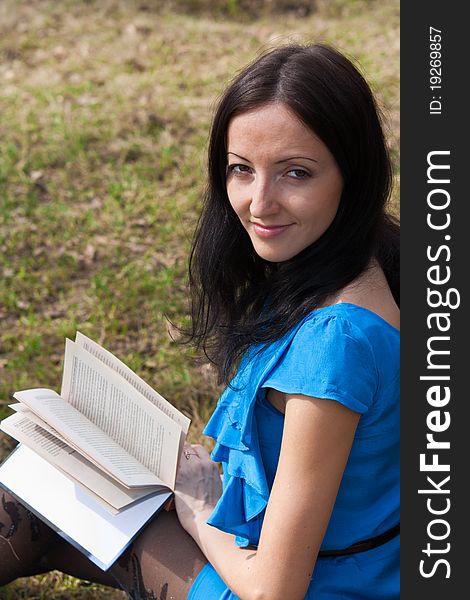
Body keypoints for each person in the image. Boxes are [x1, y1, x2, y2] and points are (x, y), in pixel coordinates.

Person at [0, 43, 399, 599]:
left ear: (351, 174)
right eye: (242, 169)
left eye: (296, 173)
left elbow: (274, 591)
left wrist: (200, 505)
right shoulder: (367, 258)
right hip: (349, 566)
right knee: (48, 493)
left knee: (30, 502)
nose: (260, 203)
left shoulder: (338, 341)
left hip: (304, 587)